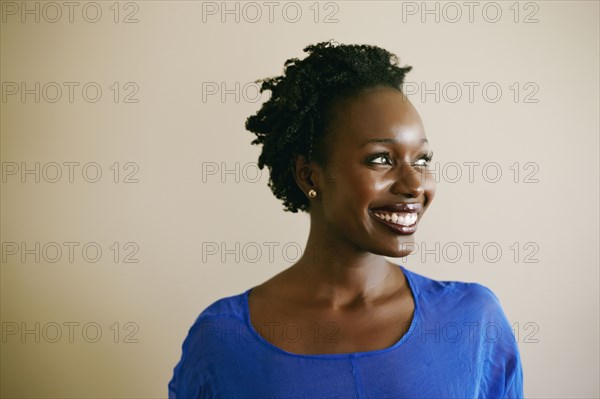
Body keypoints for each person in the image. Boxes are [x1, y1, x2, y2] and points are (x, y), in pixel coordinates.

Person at [168, 40, 524, 398]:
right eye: (381, 159)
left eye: (422, 159)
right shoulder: (223, 339)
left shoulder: (474, 323)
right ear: (310, 176)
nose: (415, 184)